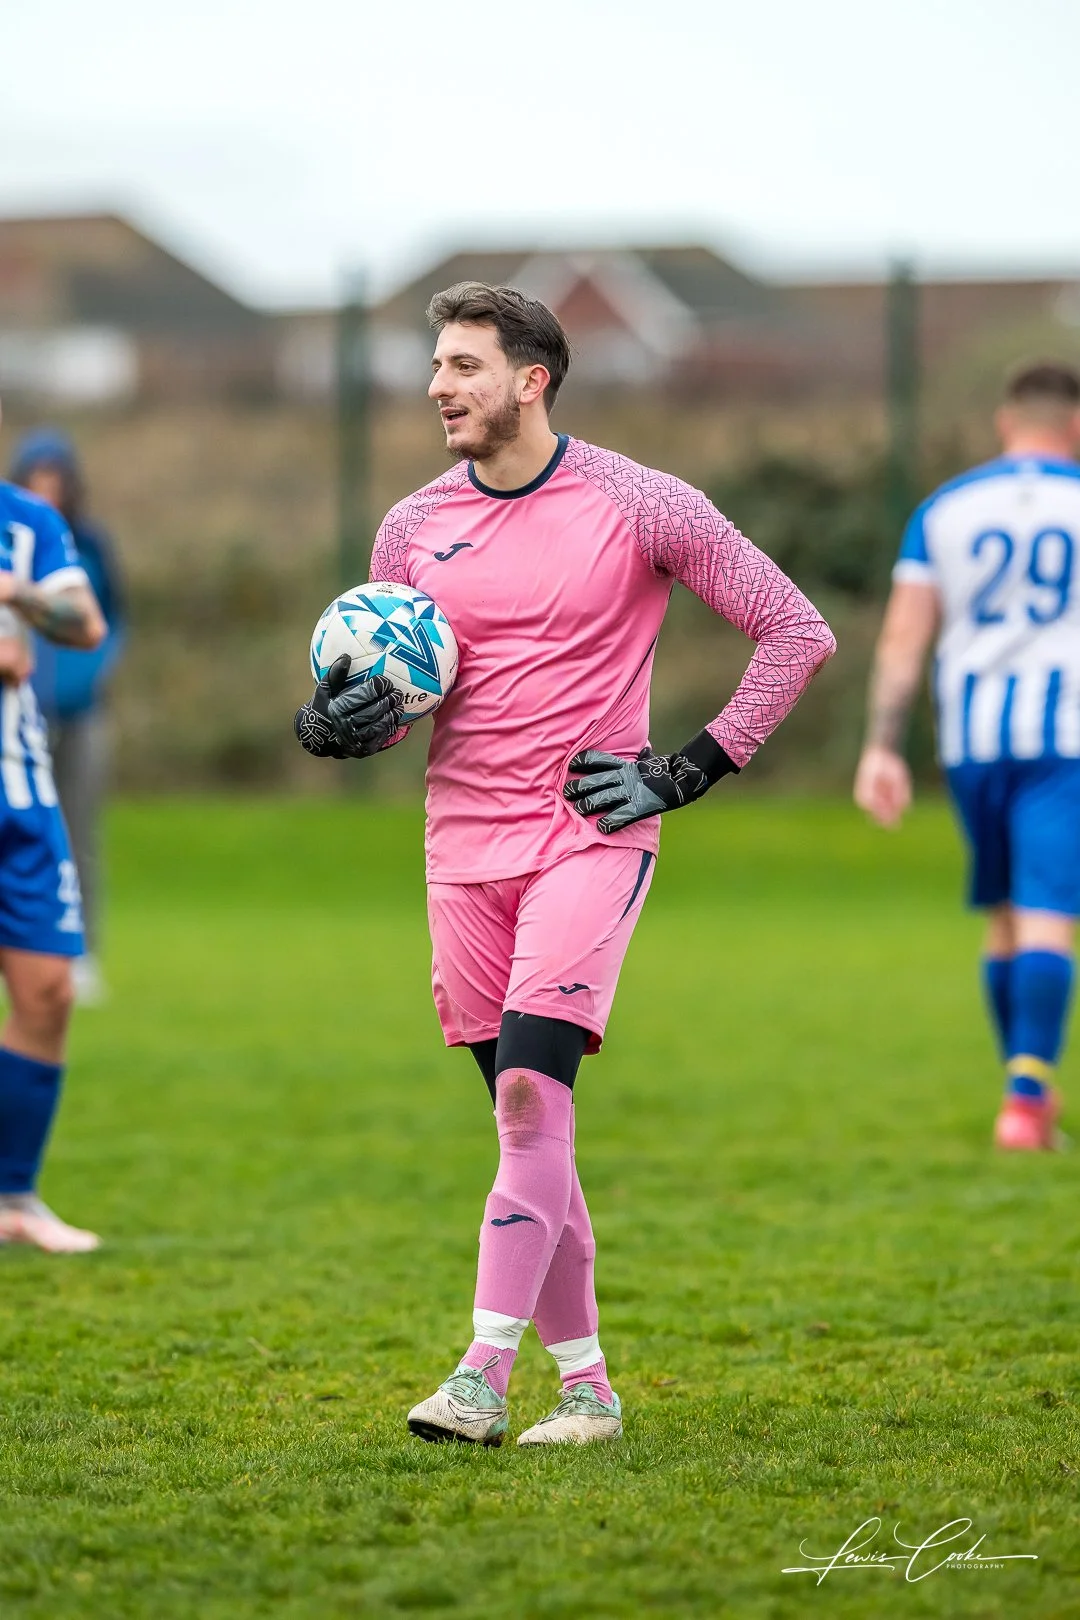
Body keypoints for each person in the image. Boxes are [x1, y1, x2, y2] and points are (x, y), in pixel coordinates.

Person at [294, 283, 835, 1446]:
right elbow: (405, 698)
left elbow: (796, 631)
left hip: (587, 838)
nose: (440, 386)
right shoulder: (409, 527)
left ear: (532, 380)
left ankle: (482, 1376)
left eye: (464, 366)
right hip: (461, 855)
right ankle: (587, 1392)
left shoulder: (642, 502)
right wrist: (340, 727)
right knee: (526, 1132)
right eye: (437, 365)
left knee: (537, 1100)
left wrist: (689, 770)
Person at [854, 362, 1080, 1152]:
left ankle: (1024, 1088)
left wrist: (882, 747)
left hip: (974, 743)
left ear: (1004, 421)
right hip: (1065, 742)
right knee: (1051, 916)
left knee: (1004, 919)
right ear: (1075, 425)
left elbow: (905, 636)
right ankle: (1025, 1100)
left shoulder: (943, 508)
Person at [0, 408, 107, 1251]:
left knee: (48, 992)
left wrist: (17, 597)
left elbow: (85, 626)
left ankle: (13, 1198)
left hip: (21, 794)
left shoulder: (30, 523)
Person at [10, 430, 126, 1005]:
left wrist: (93, 672)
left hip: (82, 713)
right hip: (21, 717)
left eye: (57, 481)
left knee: (78, 835)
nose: (48, 491)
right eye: (38, 479)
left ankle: (81, 954)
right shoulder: (13, 537)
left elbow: (108, 621)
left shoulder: (88, 544)